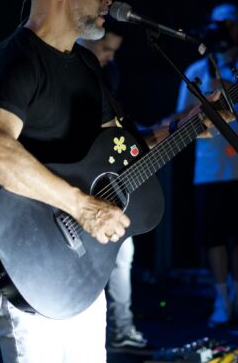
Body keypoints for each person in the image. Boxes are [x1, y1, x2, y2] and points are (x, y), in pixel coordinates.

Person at [0, 0, 218, 363]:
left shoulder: (87, 67)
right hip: (26, 258)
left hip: (81, 265)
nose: (108, 0)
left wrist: (186, 126)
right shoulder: (15, 59)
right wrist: (83, 207)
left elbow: (121, 149)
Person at [175, 3, 238, 327]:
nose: (228, 31)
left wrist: (233, 89)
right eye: (221, 25)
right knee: (213, 235)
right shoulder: (196, 70)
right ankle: (221, 297)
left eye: (233, 25)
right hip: (210, 168)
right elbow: (181, 116)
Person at [79, 23, 148, 349]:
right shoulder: (71, 67)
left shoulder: (110, 73)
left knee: (123, 252)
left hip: (105, 182)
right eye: (106, 48)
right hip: (77, 187)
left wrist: (173, 127)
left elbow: (116, 132)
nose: (110, 57)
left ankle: (122, 327)